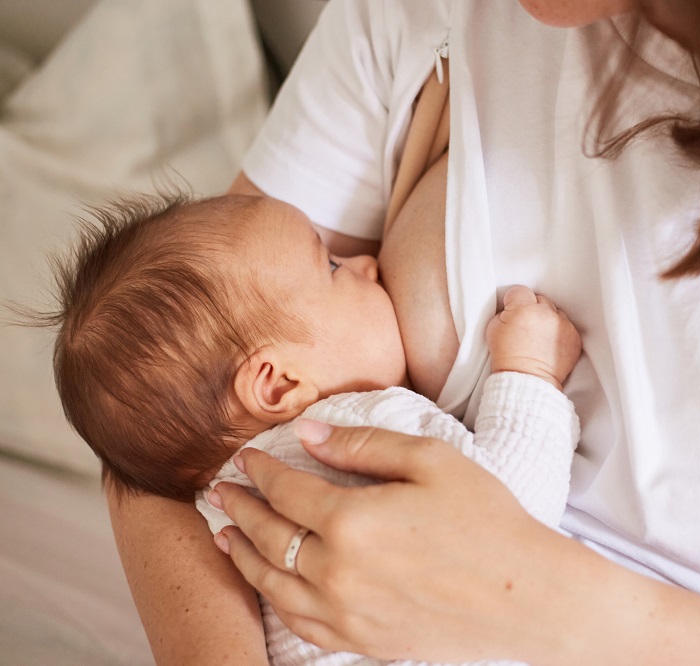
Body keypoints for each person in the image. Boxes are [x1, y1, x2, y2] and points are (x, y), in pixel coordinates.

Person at [107, 1, 700, 664]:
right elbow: (164, 417)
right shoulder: (425, 16)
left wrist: (527, 597)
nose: (364, 266)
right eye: (343, 269)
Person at [44, 191, 581, 665]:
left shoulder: (217, 515)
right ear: (278, 385)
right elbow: (514, 520)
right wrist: (529, 371)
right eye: (330, 266)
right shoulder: (358, 427)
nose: (368, 263)